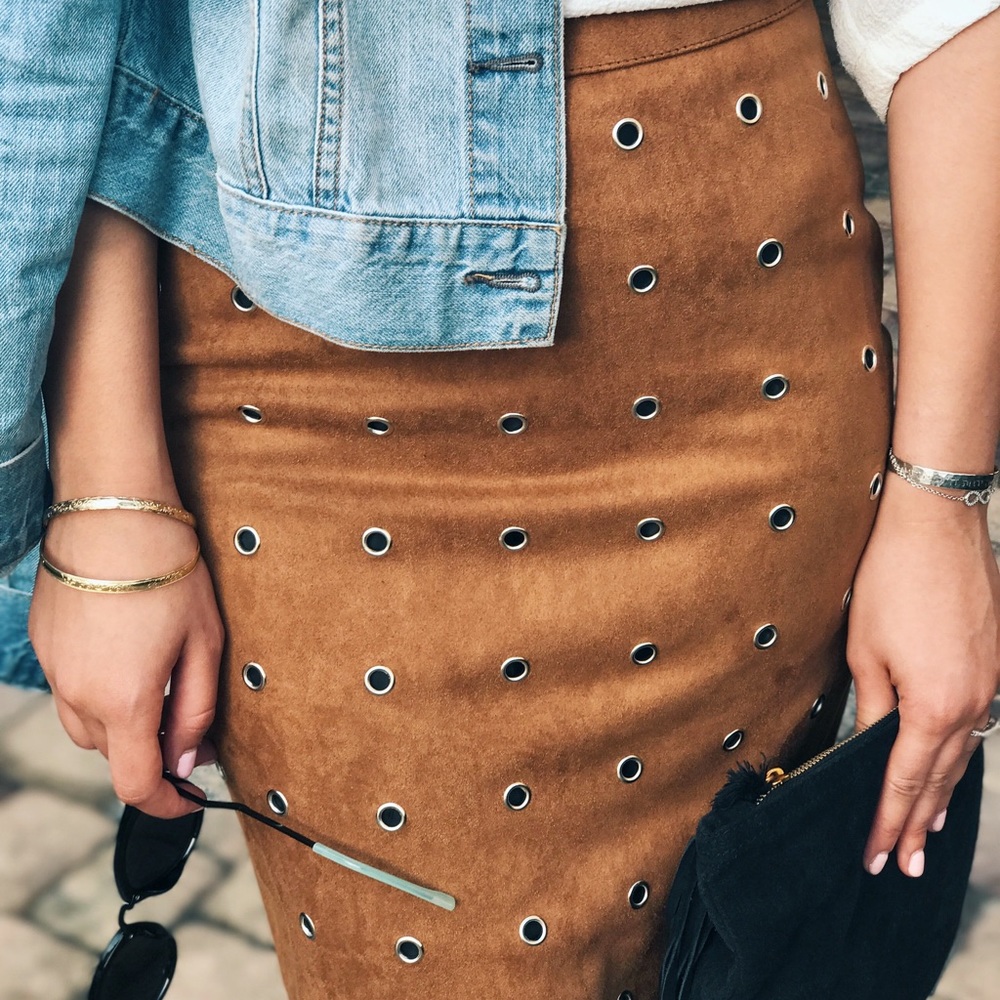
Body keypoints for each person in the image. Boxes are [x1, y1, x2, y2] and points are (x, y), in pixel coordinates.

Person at [2, 0, 999, 997]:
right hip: (324, 404)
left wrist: (942, 500)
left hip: (746, 324)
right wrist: (109, 491)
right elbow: (72, 32)